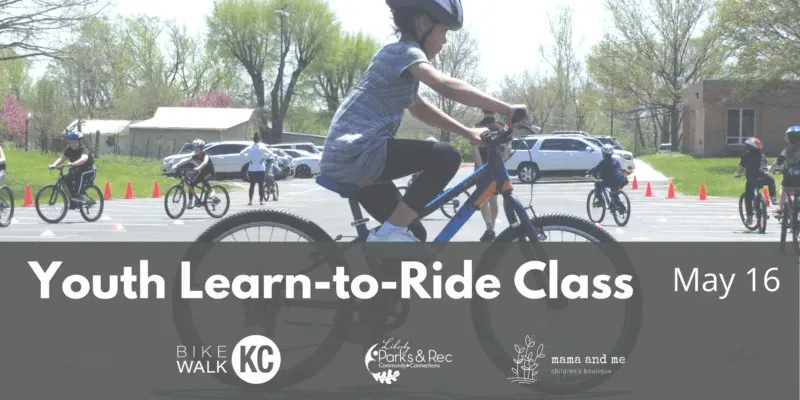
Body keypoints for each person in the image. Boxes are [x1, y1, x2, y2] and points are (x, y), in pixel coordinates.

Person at [319, 0, 527, 243]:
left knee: (413, 233)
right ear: (424, 22)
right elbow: (443, 85)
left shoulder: (397, 59)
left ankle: (380, 263)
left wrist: (467, 133)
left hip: (355, 157)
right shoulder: (403, 52)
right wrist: (506, 108)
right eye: (445, 31)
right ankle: (388, 235)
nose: (445, 41)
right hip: (359, 154)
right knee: (446, 156)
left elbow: (419, 108)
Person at [472, 109, 505, 241]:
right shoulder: (501, 127)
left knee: (482, 199)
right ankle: (492, 228)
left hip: (482, 166)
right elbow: (506, 149)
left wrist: (481, 168)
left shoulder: (476, 126)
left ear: (482, 111)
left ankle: (489, 227)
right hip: (496, 165)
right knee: (494, 199)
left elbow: (475, 149)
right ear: (495, 113)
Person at [735, 137, 777, 224]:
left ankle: (749, 217)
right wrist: (768, 170)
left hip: (751, 180)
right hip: (761, 178)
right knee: (771, 181)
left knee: (748, 197)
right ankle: (773, 197)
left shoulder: (746, 156)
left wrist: (738, 174)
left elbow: (741, 167)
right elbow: (764, 165)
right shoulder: (761, 155)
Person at [49, 131, 96, 204]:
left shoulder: (84, 149)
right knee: (66, 179)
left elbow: (84, 159)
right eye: (70, 142)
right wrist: (54, 165)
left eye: (74, 142)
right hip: (76, 169)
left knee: (80, 175)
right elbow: (62, 158)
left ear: (80, 141)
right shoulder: (69, 149)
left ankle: (79, 196)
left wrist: (74, 164)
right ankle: (73, 200)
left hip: (89, 170)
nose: (72, 144)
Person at [173, 139, 214, 209]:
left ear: (201, 148)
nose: (196, 149)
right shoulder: (195, 156)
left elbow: (205, 162)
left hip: (209, 172)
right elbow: (186, 161)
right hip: (201, 173)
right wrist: (176, 165)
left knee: (203, 179)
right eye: (195, 148)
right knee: (191, 184)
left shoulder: (205, 155)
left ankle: (210, 190)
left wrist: (199, 167)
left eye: (197, 148)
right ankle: (190, 202)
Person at [768, 126, 800, 216]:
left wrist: (770, 170)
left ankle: (780, 208)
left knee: (784, 189)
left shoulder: (786, 151)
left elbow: (777, 163)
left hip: (789, 179)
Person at [586, 144, 628, 209]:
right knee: (614, 191)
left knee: (597, 183)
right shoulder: (615, 161)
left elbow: (597, 169)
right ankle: (615, 203)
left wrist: (589, 172)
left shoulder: (603, 162)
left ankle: (600, 201)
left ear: (603, 153)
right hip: (622, 180)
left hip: (611, 181)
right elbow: (619, 169)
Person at [240, 134, 271, 205]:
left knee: (252, 185)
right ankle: (261, 201)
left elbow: (241, 153)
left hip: (252, 169)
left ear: (253, 139)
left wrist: (248, 160)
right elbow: (271, 153)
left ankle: (250, 201)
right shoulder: (262, 147)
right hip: (261, 168)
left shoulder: (250, 147)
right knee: (261, 185)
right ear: (259, 139)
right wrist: (264, 159)